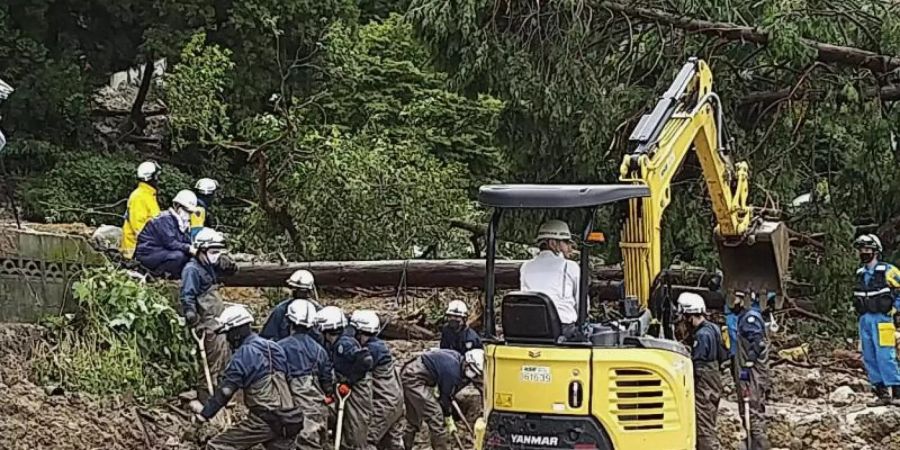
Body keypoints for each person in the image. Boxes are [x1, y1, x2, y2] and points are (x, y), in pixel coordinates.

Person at [193, 304, 303, 450]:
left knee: (217, 445)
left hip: (265, 419)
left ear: (236, 333)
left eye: (228, 334)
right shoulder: (275, 347)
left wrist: (204, 415)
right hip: (289, 418)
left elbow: (225, 392)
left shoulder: (243, 355)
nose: (227, 339)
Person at [181, 228, 232, 405]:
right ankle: (205, 393)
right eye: (213, 252)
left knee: (223, 354)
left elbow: (231, 270)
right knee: (211, 356)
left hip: (218, 317)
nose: (216, 255)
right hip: (206, 320)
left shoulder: (210, 267)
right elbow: (187, 294)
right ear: (201, 250)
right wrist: (190, 313)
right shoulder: (192, 270)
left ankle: (219, 392)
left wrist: (228, 263)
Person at [401, 348, 484, 450]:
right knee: (435, 415)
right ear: (468, 364)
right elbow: (445, 399)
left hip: (412, 372)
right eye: (473, 371)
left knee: (413, 418)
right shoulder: (452, 372)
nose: (474, 375)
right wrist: (448, 417)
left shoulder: (457, 359)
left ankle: (403, 446)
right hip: (414, 379)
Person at [278, 299, 333, 450]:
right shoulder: (319, 350)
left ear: (289, 321)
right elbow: (326, 380)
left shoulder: (279, 348)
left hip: (290, 406)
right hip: (316, 408)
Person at [852, 234, 900, 406]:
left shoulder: (889, 271)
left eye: (867, 250)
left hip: (883, 320)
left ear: (875, 251)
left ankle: (897, 393)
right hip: (864, 320)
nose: (864, 253)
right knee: (869, 356)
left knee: (886, 356)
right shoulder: (860, 273)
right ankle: (881, 393)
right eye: (861, 250)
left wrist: (896, 311)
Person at [320, 306, 374, 450]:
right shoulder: (334, 345)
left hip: (357, 389)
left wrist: (349, 383)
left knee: (356, 429)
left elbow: (365, 360)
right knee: (343, 426)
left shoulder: (344, 344)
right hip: (345, 389)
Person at [349, 310, 404, 450]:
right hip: (395, 403)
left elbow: (356, 374)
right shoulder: (380, 345)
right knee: (392, 444)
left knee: (366, 440)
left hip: (383, 405)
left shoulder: (370, 351)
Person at [678, 292, 726, 450]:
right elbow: (722, 355)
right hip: (714, 379)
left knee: (703, 424)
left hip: (704, 382)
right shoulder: (714, 328)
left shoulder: (701, 335)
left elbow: (697, 365)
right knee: (710, 419)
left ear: (690, 316)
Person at [519, 220, 580, 338]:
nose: (570, 248)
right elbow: (581, 304)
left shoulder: (525, 267)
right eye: (566, 242)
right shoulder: (570, 266)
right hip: (563, 329)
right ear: (553, 243)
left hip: (530, 328)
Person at [730, 291, 770, 450]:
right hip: (751, 372)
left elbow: (758, 343)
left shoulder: (749, 319)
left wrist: (748, 365)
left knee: (752, 411)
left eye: (736, 298)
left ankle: (759, 446)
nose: (733, 302)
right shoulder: (746, 317)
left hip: (753, 374)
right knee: (749, 411)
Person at [135, 189, 199, 278]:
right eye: (186, 210)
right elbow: (171, 243)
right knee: (178, 256)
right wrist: (189, 248)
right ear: (177, 206)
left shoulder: (180, 223)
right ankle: (155, 276)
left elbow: (184, 240)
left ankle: (175, 276)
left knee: (187, 257)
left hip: (160, 251)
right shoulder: (165, 220)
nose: (188, 214)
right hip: (147, 254)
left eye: (190, 212)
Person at [261, 270, 323, 343]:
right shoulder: (281, 310)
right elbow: (267, 338)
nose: (300, 293)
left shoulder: (319, 311)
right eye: (297, 290)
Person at [121, 161, 161, 259]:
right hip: (135, 249)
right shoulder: (139, 197)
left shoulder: (148, 195)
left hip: (146, 245)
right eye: (156, 176)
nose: (158, 179)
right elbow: (139, 228)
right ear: (151, 177)